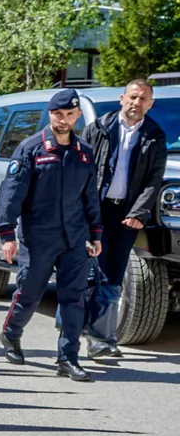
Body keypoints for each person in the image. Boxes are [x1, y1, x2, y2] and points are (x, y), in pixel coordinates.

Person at [0, 89, 103, 381]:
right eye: (58, 114)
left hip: (75, 238)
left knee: (74, 298)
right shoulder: (32, 149)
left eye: (69, 115)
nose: (63, 120)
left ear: (78, 116)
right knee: (29, 294)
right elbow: (11, 194)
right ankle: (11, 334)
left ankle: (68, 358)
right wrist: (7, 234)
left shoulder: (84, 153)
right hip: (38, 237)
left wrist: (96, 233)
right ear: (50, 114)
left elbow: (90, 197)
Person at [80, 79, 168, 358]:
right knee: (93, 273)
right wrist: (82, 212)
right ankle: (85, 334)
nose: (136, 103)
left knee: (114, 276)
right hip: (96, 211)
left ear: (150, 104)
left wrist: (139, 212)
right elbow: (79, 173)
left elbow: (154, 180)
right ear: (122, 98)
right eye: (132, 97)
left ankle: (103, 338)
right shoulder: (98, 129)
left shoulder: (155, 135)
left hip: (127, 216)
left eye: (143, 99)